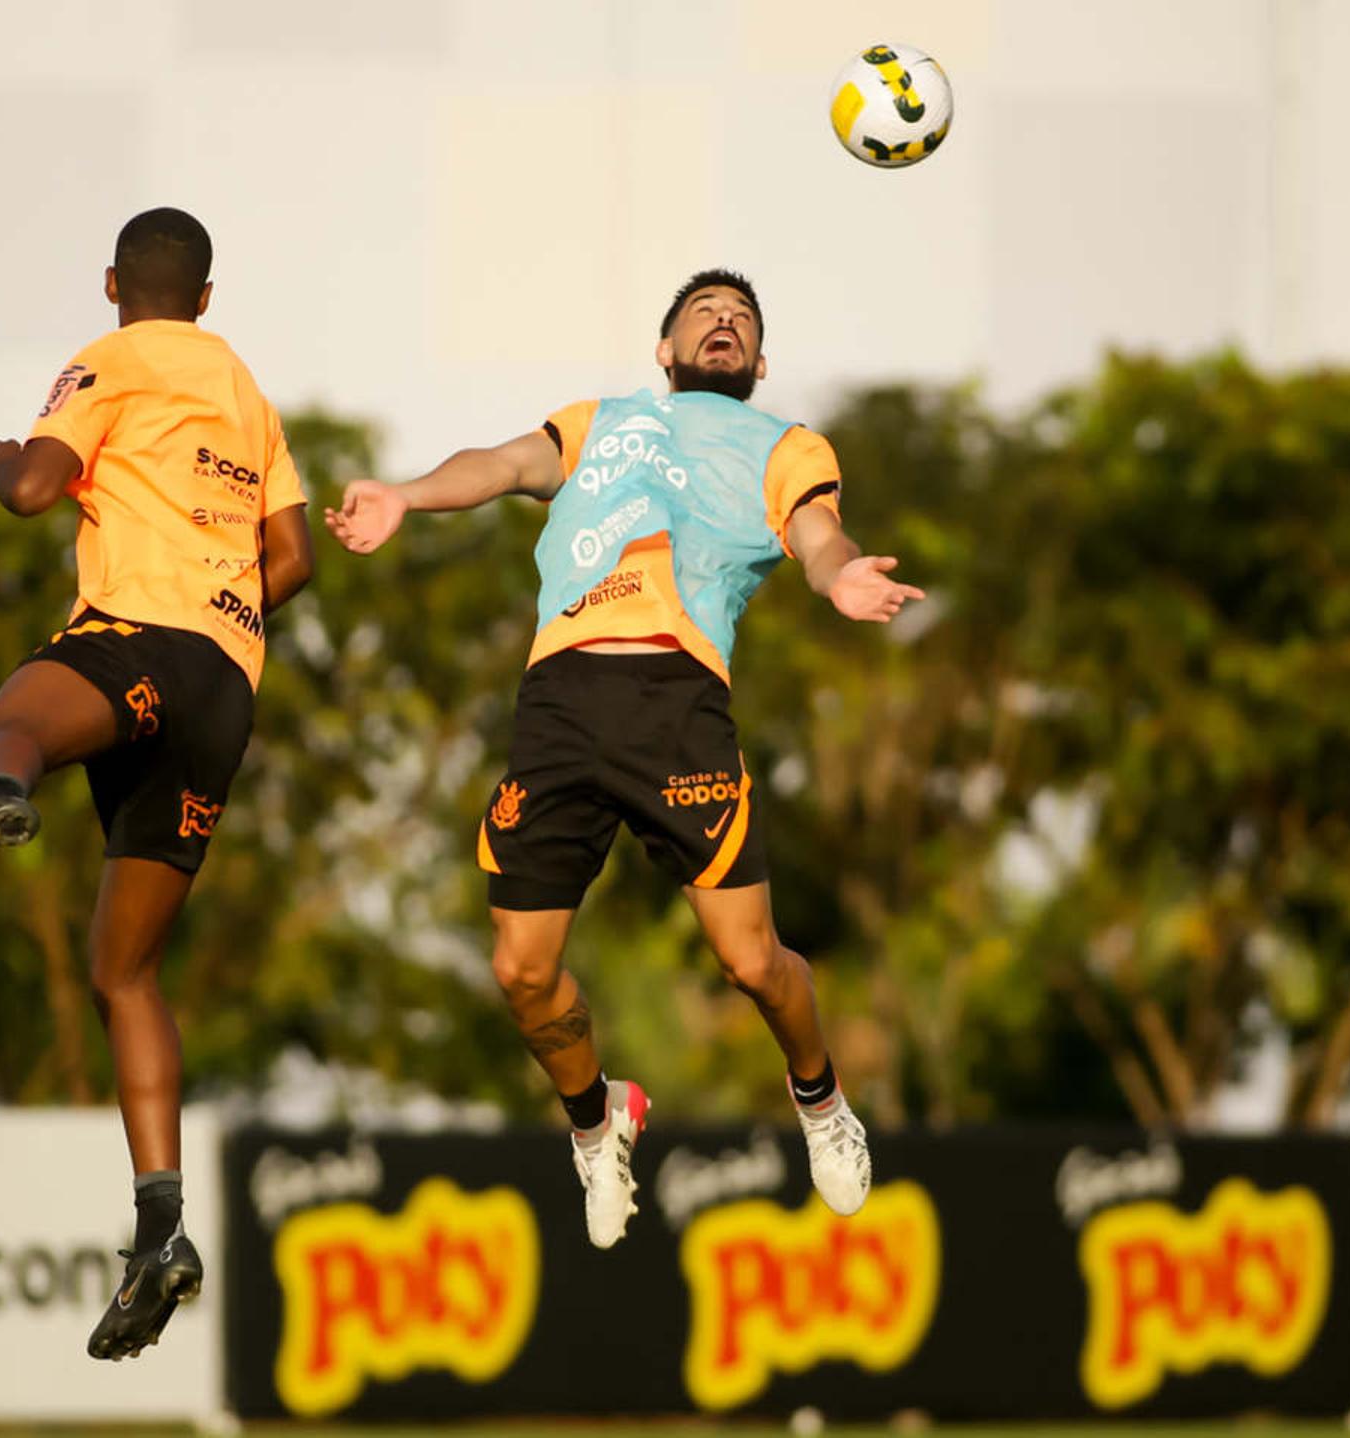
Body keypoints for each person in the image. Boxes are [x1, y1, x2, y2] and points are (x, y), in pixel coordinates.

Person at [325, 270, 921, 1247]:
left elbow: (816, 533)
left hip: (675, 703)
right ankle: (598, 1123)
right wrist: (405, 496)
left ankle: (820, 1102)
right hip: (558, 702)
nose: (722, 325)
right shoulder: (602, 420)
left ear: (760, 362)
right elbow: (504, 463)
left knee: (748, 959)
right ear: (665, 348)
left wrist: (837, 573)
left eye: (741, 321)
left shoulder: (787, 445)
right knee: (521, 972)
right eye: (703, 314)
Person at [0, 207, 313, 1356]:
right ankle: (160, 1228)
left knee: (8, 718)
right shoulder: (245, 389)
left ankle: (6, 794)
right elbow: (293, 556)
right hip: (225, 688)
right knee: (125, 969)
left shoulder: (107, 362)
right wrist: (225, 615)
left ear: (114, 282)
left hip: (136, 641)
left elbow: (32, 490)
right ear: (207, 296)